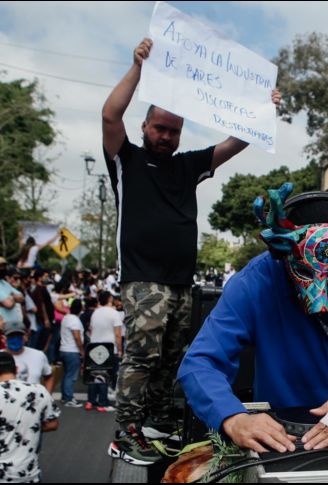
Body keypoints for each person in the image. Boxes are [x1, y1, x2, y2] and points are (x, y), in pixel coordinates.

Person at [102, 38, 281, 464]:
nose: (166, 136)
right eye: (159, 128)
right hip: (144, 278)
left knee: (172, 356)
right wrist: (138, 69)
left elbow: (235, 144)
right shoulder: (126, 160)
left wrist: (264, 110)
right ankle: (125, 432)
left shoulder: (187, 164)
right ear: (145, 127)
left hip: (182, 281)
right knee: (142, 354)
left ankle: (157, 422)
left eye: (173, 131)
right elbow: (110, 114)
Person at [177, 186, 328, 462]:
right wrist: (232, 417)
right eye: (305, 270)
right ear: (283, 250)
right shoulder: (253, 281)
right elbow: (199, 362)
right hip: (285, 439)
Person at [0, 352, 60, 483]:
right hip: (28, 475)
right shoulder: (39, 391)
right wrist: (26, 426)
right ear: (16, 369)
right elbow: (53, 423)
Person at [87, 291, 122, 413]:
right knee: (105, 375)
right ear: (109, 299)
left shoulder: (95, 313)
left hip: (94, 345)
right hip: (109, 347)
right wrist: (120, 349)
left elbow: (91, 330)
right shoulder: (114, 313)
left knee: (95, 374)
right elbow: (118, 334)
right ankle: (103, 403)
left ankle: (91, 401)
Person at [2, 320, 54, 394]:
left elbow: (49, 377)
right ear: (3, 338)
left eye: (19, 336)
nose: (15, 339)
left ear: (26, 337)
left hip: (33, 404)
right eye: (11, 336)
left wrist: (47, 397)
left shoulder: (39, 355)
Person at [59, 298, 85, 408]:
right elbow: (77, 336)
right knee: (71, 376)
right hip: (72, 350)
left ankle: (65, 396)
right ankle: (69, 398)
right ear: (80, 309)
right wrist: (81, 350)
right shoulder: (75, 320)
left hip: (64, 349)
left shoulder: (66, 317)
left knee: (66, 375)